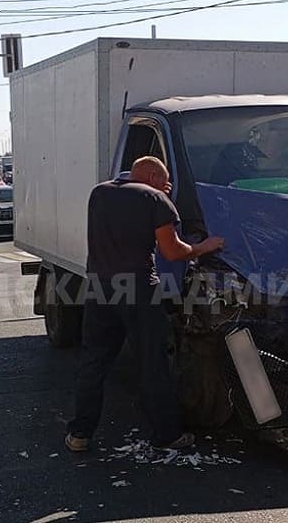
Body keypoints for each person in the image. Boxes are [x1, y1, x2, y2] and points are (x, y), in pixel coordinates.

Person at [65, 156, 225, 452]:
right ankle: (167, 435)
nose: (168, 188)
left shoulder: (99, 193)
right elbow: (173, 251)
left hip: (100, 288)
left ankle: (80, 434)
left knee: (94, 362)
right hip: (139, 289)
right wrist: (205, 246)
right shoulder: (155, 199)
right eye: (165, 182)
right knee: (152, 363)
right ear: (151, 176)